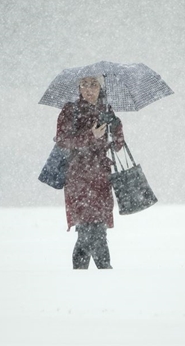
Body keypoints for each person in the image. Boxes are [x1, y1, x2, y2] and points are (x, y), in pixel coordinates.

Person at [55, 76, 125, 269]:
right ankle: (103, 272)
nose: (89, 89)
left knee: (98, 227)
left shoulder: (106, 110)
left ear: (100, 87)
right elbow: (62, 141)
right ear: (79, 87)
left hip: (101, 177)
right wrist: (90, 136)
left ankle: (87, 276)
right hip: (78, 177)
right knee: (87, 229)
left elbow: (117, 146)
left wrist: (117, 126)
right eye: (84, 84)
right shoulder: (70, 110)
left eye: (94, 84)